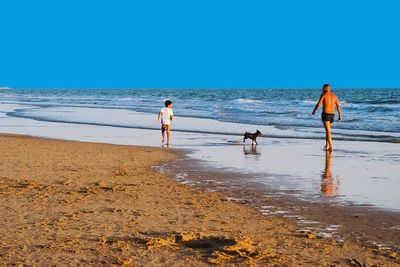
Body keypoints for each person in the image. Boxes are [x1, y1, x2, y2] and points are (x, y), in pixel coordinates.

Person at [312, 84, 342, 151]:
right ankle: (327, 145)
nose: (322, 89)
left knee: (328, 131)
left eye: (323, 88)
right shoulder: (334, 95)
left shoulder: (323, 94)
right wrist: (340, 115)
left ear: (325, 88)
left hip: (325, 114)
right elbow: (338, 106)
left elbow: (319, 104)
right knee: (328, 131)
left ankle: (331, 146)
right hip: (332, 115)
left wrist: (314, 111)